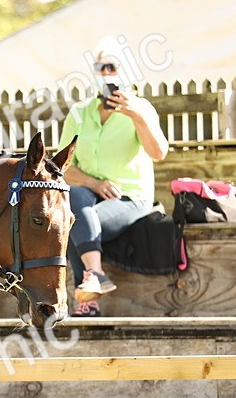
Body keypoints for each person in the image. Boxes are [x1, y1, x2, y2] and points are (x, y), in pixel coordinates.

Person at [59, 39, 169, 317]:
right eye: (102, 67)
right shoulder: (80, 113)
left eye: (114, 67)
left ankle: (87, 297)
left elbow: (158, 153)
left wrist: (136, 116)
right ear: (95, 73)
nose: (108, 73)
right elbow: (63, 167)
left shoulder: (141, 108)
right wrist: (96, 184)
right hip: (89, 195)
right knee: (75, 199)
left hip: (131, 197)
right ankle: (95, 275)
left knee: (73, 222)